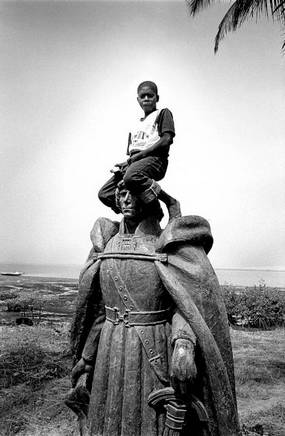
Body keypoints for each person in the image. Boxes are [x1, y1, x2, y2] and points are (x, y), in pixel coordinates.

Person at [69, 182, 241, 436]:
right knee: (107, 416)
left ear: (148, 199)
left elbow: (184, 304)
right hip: (109, 346)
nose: (125, 200)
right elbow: (100, 311)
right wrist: (87, 356)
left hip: (151, 346)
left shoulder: (166, 246)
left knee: (151, 418)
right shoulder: (105, 246)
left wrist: (183, 344)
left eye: (133, 193)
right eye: (121, 194)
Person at [98, 81, 181, 221]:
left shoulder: (162, 113)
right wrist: (126, 163)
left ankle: (170, 202)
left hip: (154, 159)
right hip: (135, 162)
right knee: (105, 194)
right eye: (143, 96)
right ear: (138, 100)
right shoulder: (135, 125)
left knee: (132, 177)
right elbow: (132, 153)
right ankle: (147, 212)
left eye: (150, 95)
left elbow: (166, 140)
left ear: (157, 98)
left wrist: (138, 157)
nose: (147, 98)